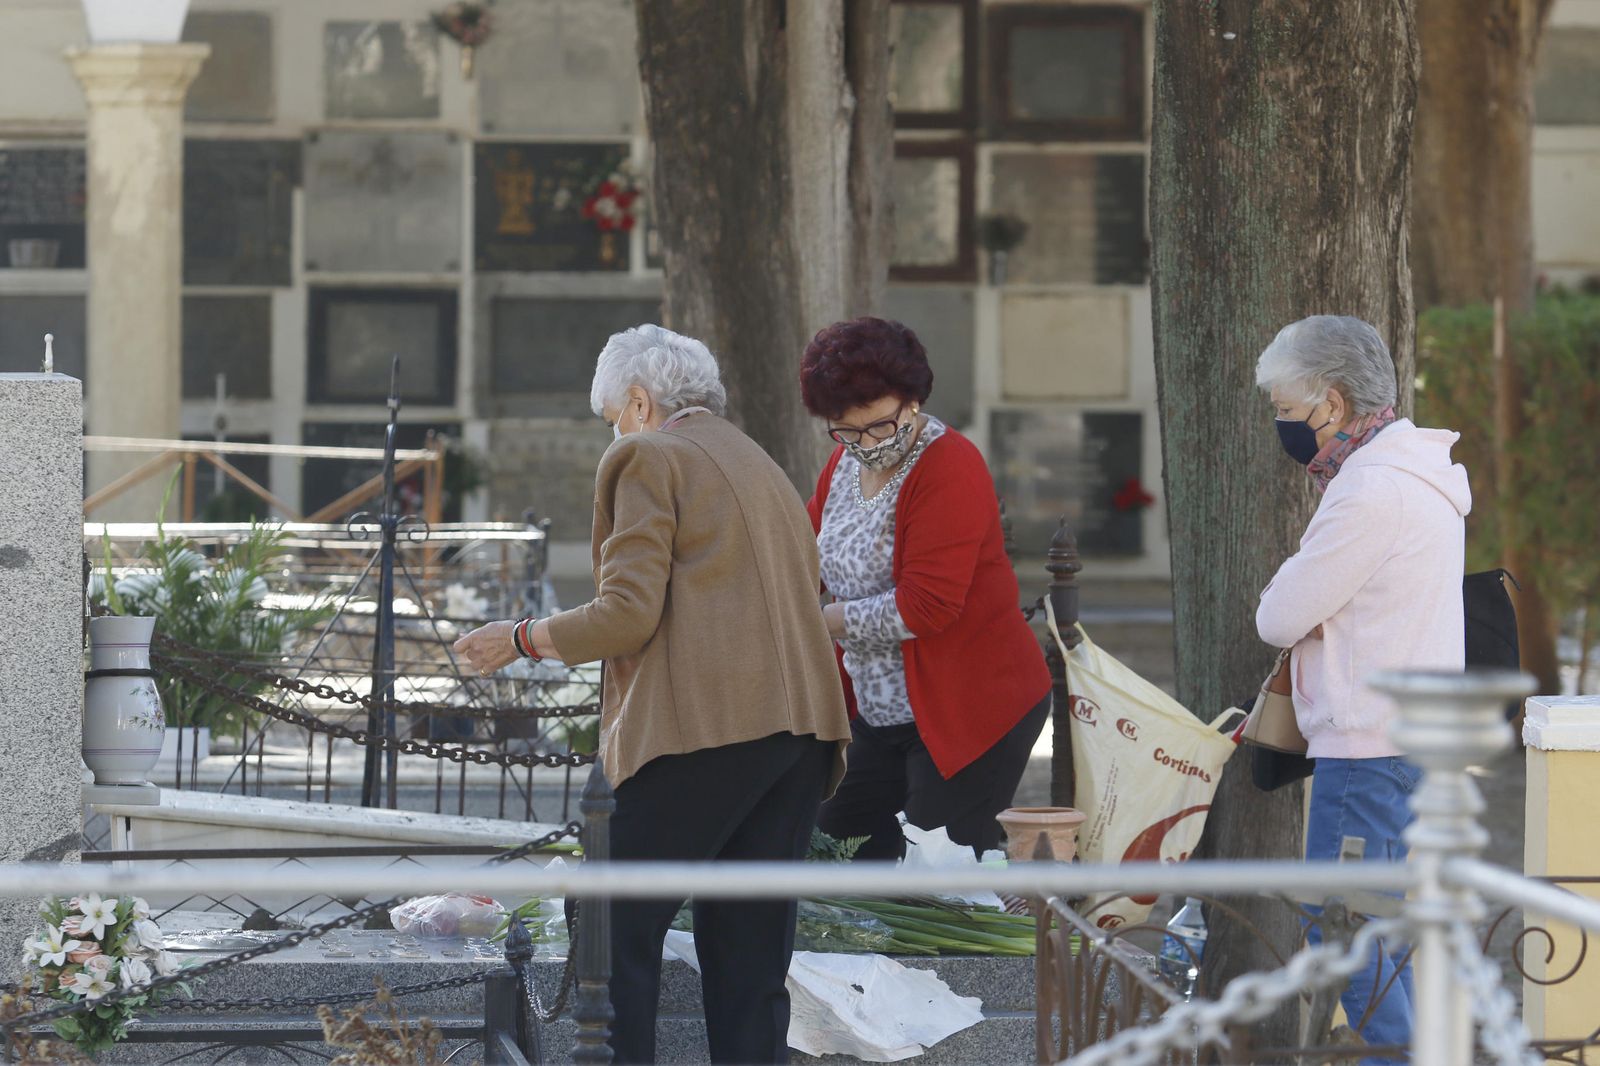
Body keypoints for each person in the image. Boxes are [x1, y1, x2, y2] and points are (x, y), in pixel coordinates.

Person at [455, 324, 852, 1065]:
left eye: (612, 418)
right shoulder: (757, 457)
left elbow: (627, 614)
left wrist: (519, 638)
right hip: (802, 730)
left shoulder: (647, 454)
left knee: (609, 920)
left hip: (707, 726)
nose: (614, 433)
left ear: (639, 403)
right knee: (749, 956)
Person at [1255, 314, 1471, 1063]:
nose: (1282, 426)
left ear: (1333, 405)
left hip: (1366, 747)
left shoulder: (1369, 490)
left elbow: (1278, 616)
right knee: (1384, 924)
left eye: (1287, 410)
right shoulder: (1421, 475)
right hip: (1412, 741)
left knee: (1341, 925)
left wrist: (1292, 582)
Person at [798, 316, 1052, 861]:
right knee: (828, 852)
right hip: (881, 713)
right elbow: (803, 557)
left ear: (911, 400)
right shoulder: (843, 464)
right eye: (847, 430)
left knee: (938, 883)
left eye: (880, 427)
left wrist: (817, 622)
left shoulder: (948, 464)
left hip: (969, 706)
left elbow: (927, 606)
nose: (866, 444)